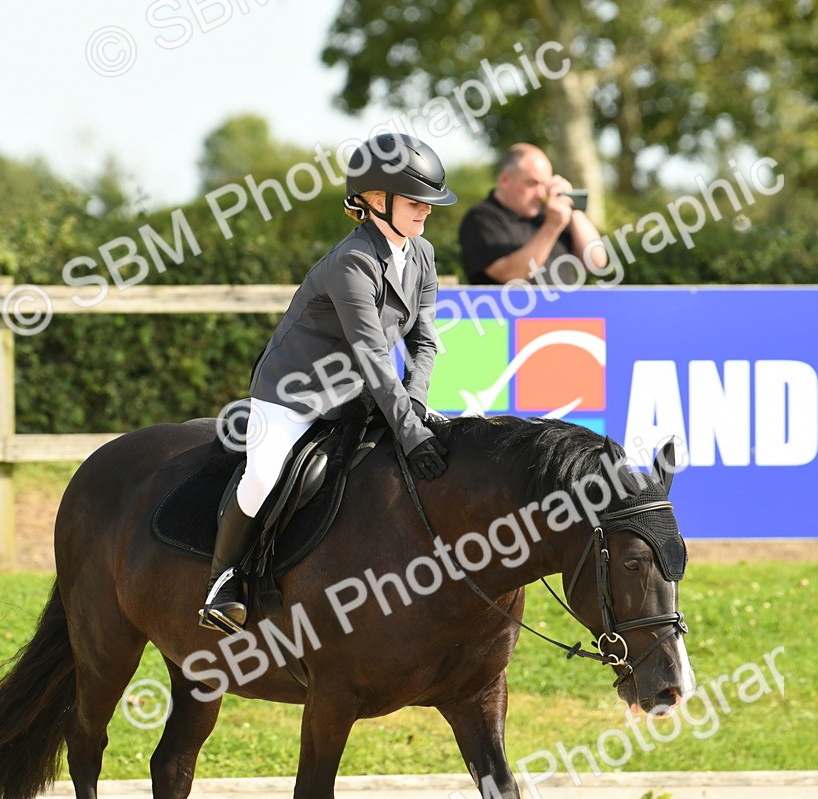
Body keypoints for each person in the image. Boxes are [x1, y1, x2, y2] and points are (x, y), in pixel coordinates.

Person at [199, 132, 457, 635]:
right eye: (415, 201)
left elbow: (424, 343)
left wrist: (418, 409)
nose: (426, 211)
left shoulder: (422, 255)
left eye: (429, 202)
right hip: (294, 392)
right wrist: (407, 428)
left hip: (360, 390)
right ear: (376, 201)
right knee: (264, 473)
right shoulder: (352, 262)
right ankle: (221, 582)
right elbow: (373, 353)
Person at [459, 143, 608, 286]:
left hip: (565, 311)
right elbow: (510, 274)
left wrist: (571, 206)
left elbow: (596, 262)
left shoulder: (551, 213)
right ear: (505, 180)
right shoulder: (481, 217)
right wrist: (551, 227)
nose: (541, 193)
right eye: (532, 183)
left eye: (545, 185)